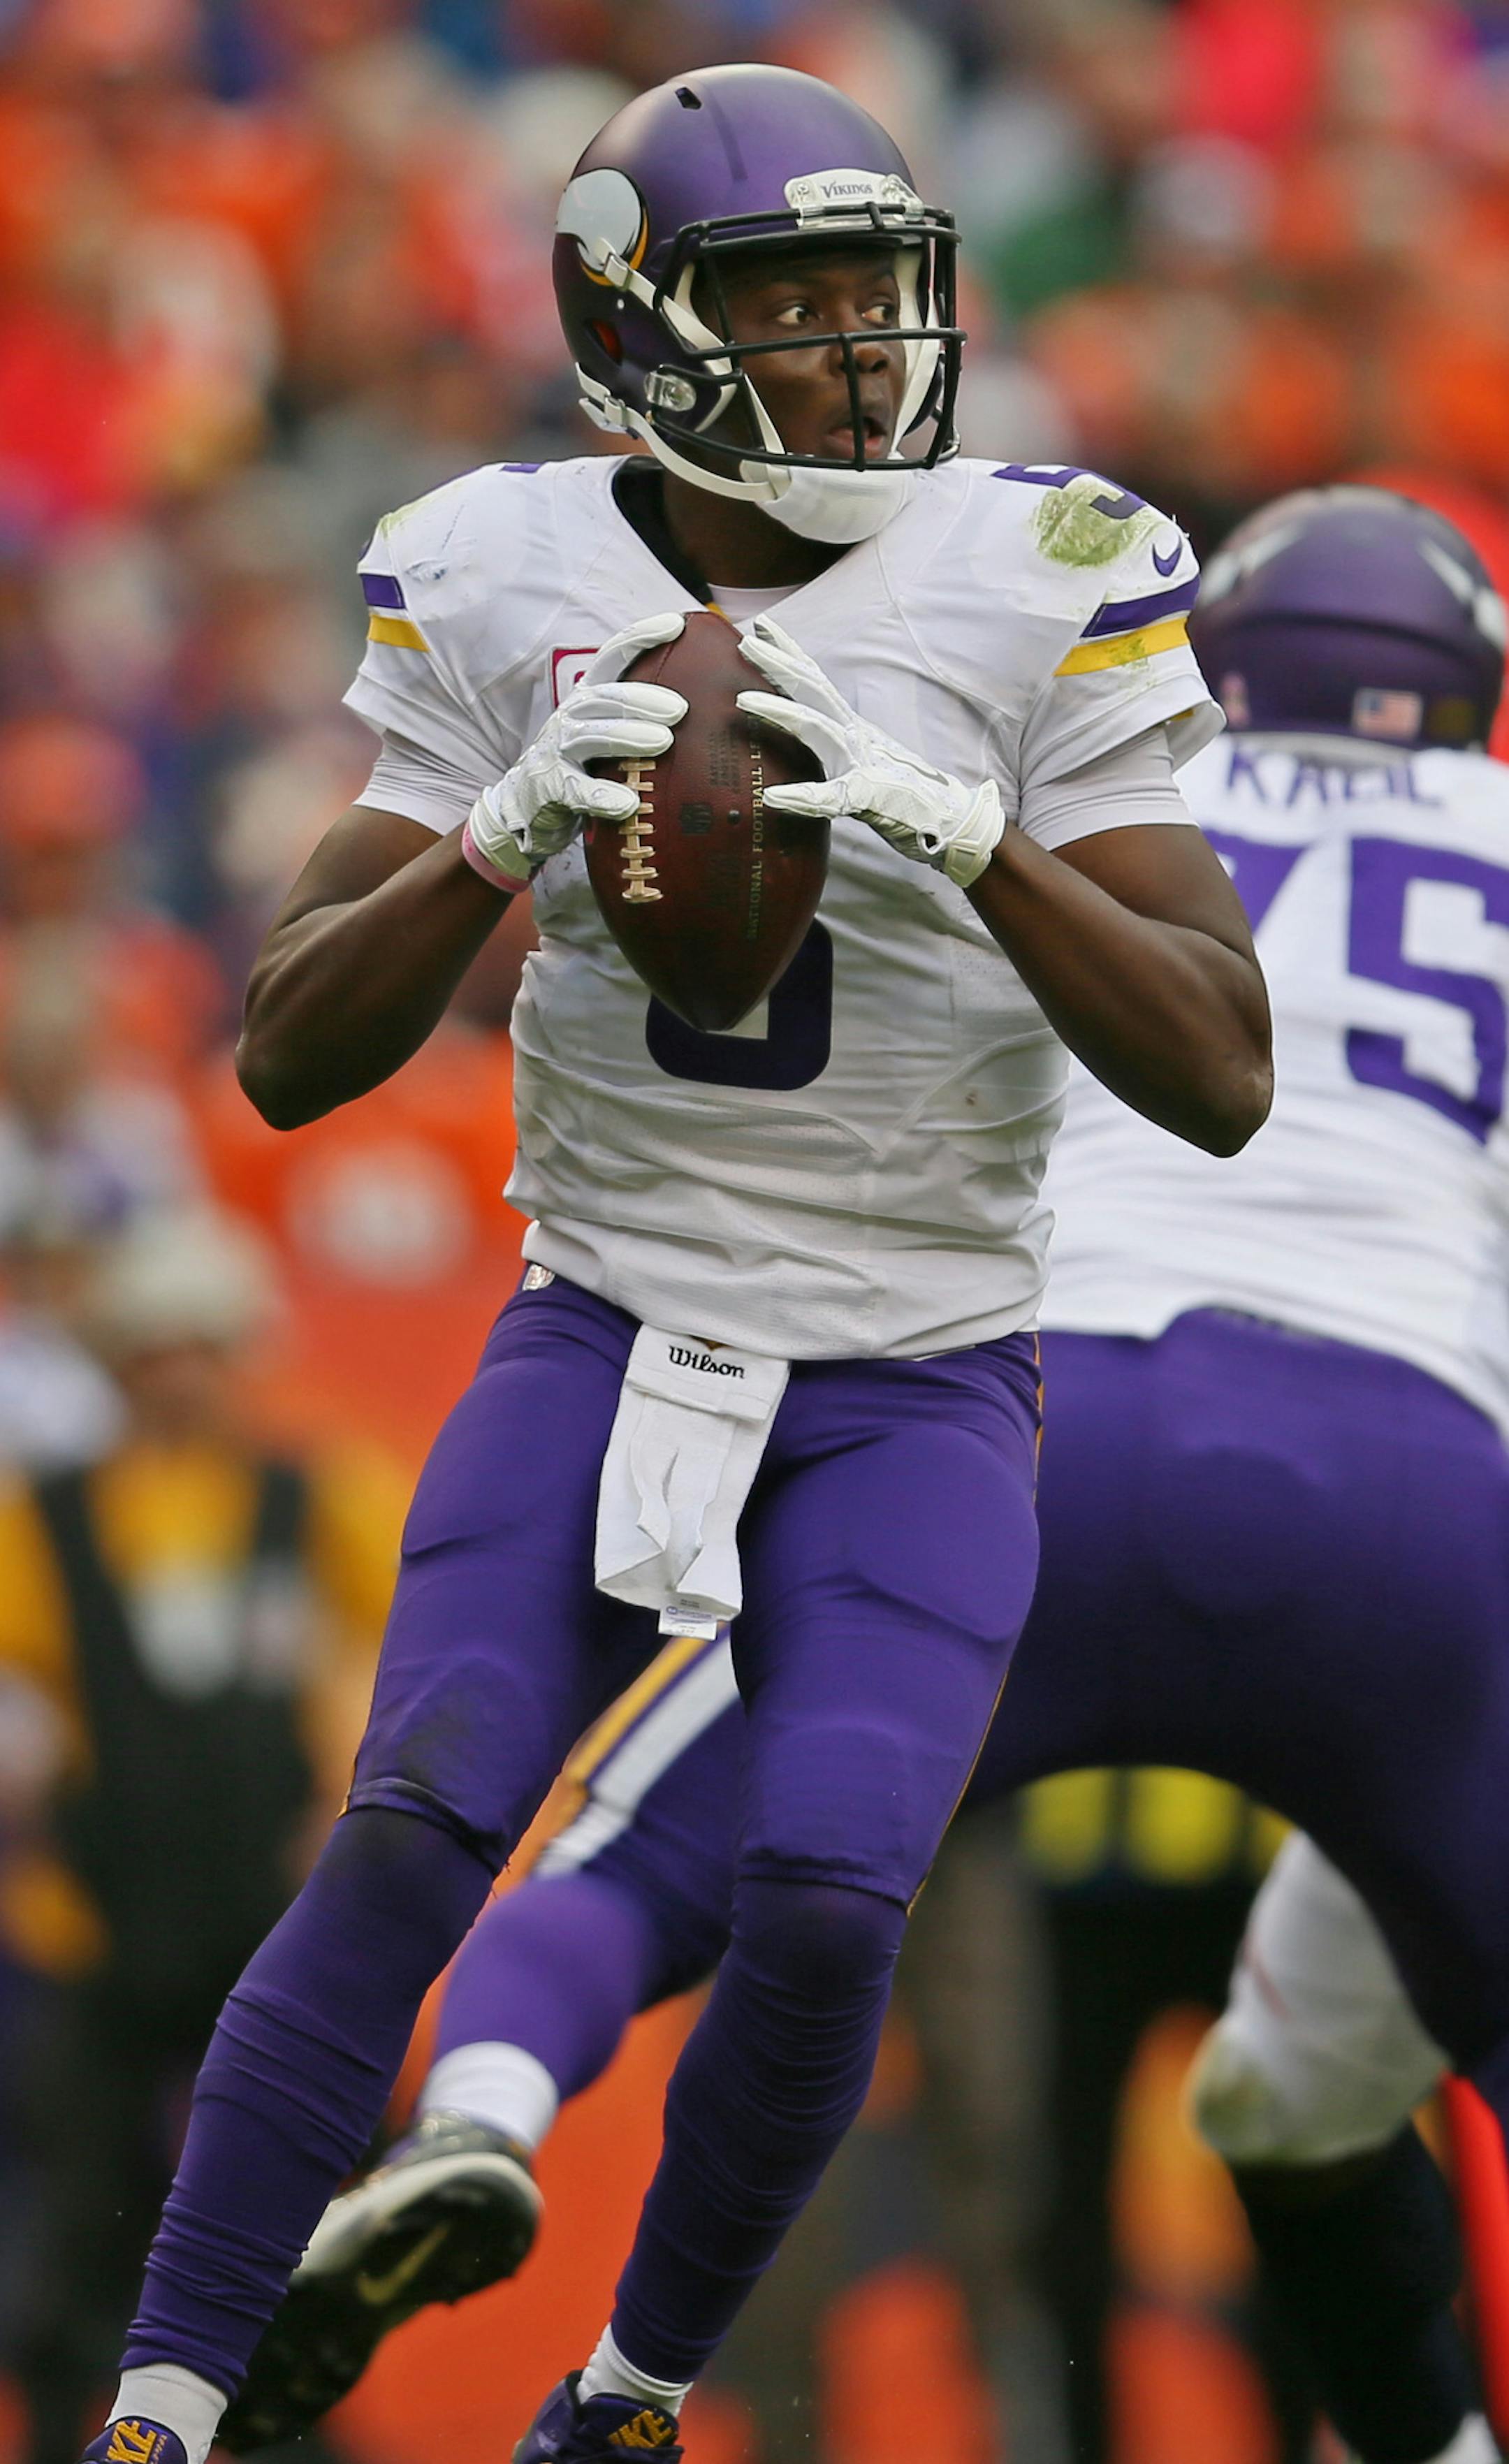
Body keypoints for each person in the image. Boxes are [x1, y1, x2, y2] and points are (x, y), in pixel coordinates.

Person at [81, 60, 1271, 2464]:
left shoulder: (1051, 574)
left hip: (920, 1367)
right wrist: (485, 847)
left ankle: (620, 2398)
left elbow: (1222, 1061)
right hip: (603, 1312)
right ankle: (163, 2405)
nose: (862, 352)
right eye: (795, 302)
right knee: (417, 1817)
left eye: (881, 295)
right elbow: (289, 1057)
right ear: (638, 331)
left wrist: (980, 847)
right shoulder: (502, 562)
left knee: (831, 1898)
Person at [222, 487, 1509, 2464]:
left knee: (645, 1860)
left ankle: (479, 2117)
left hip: (1067, 1415)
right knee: (1292, 2096)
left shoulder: (1089, 766)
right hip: (1423, 1484)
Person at [0, 1207, 403, 2464]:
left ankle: (294, 2436)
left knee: (296, 2238)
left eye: (200, 1345)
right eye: (151, 1347)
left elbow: (408, 1660)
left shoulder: (319, 1495)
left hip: (266, 1932)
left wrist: (349, 1820)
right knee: (81, 2241)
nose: (177, 1372)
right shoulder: (43, 1518)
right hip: (99, 1933)